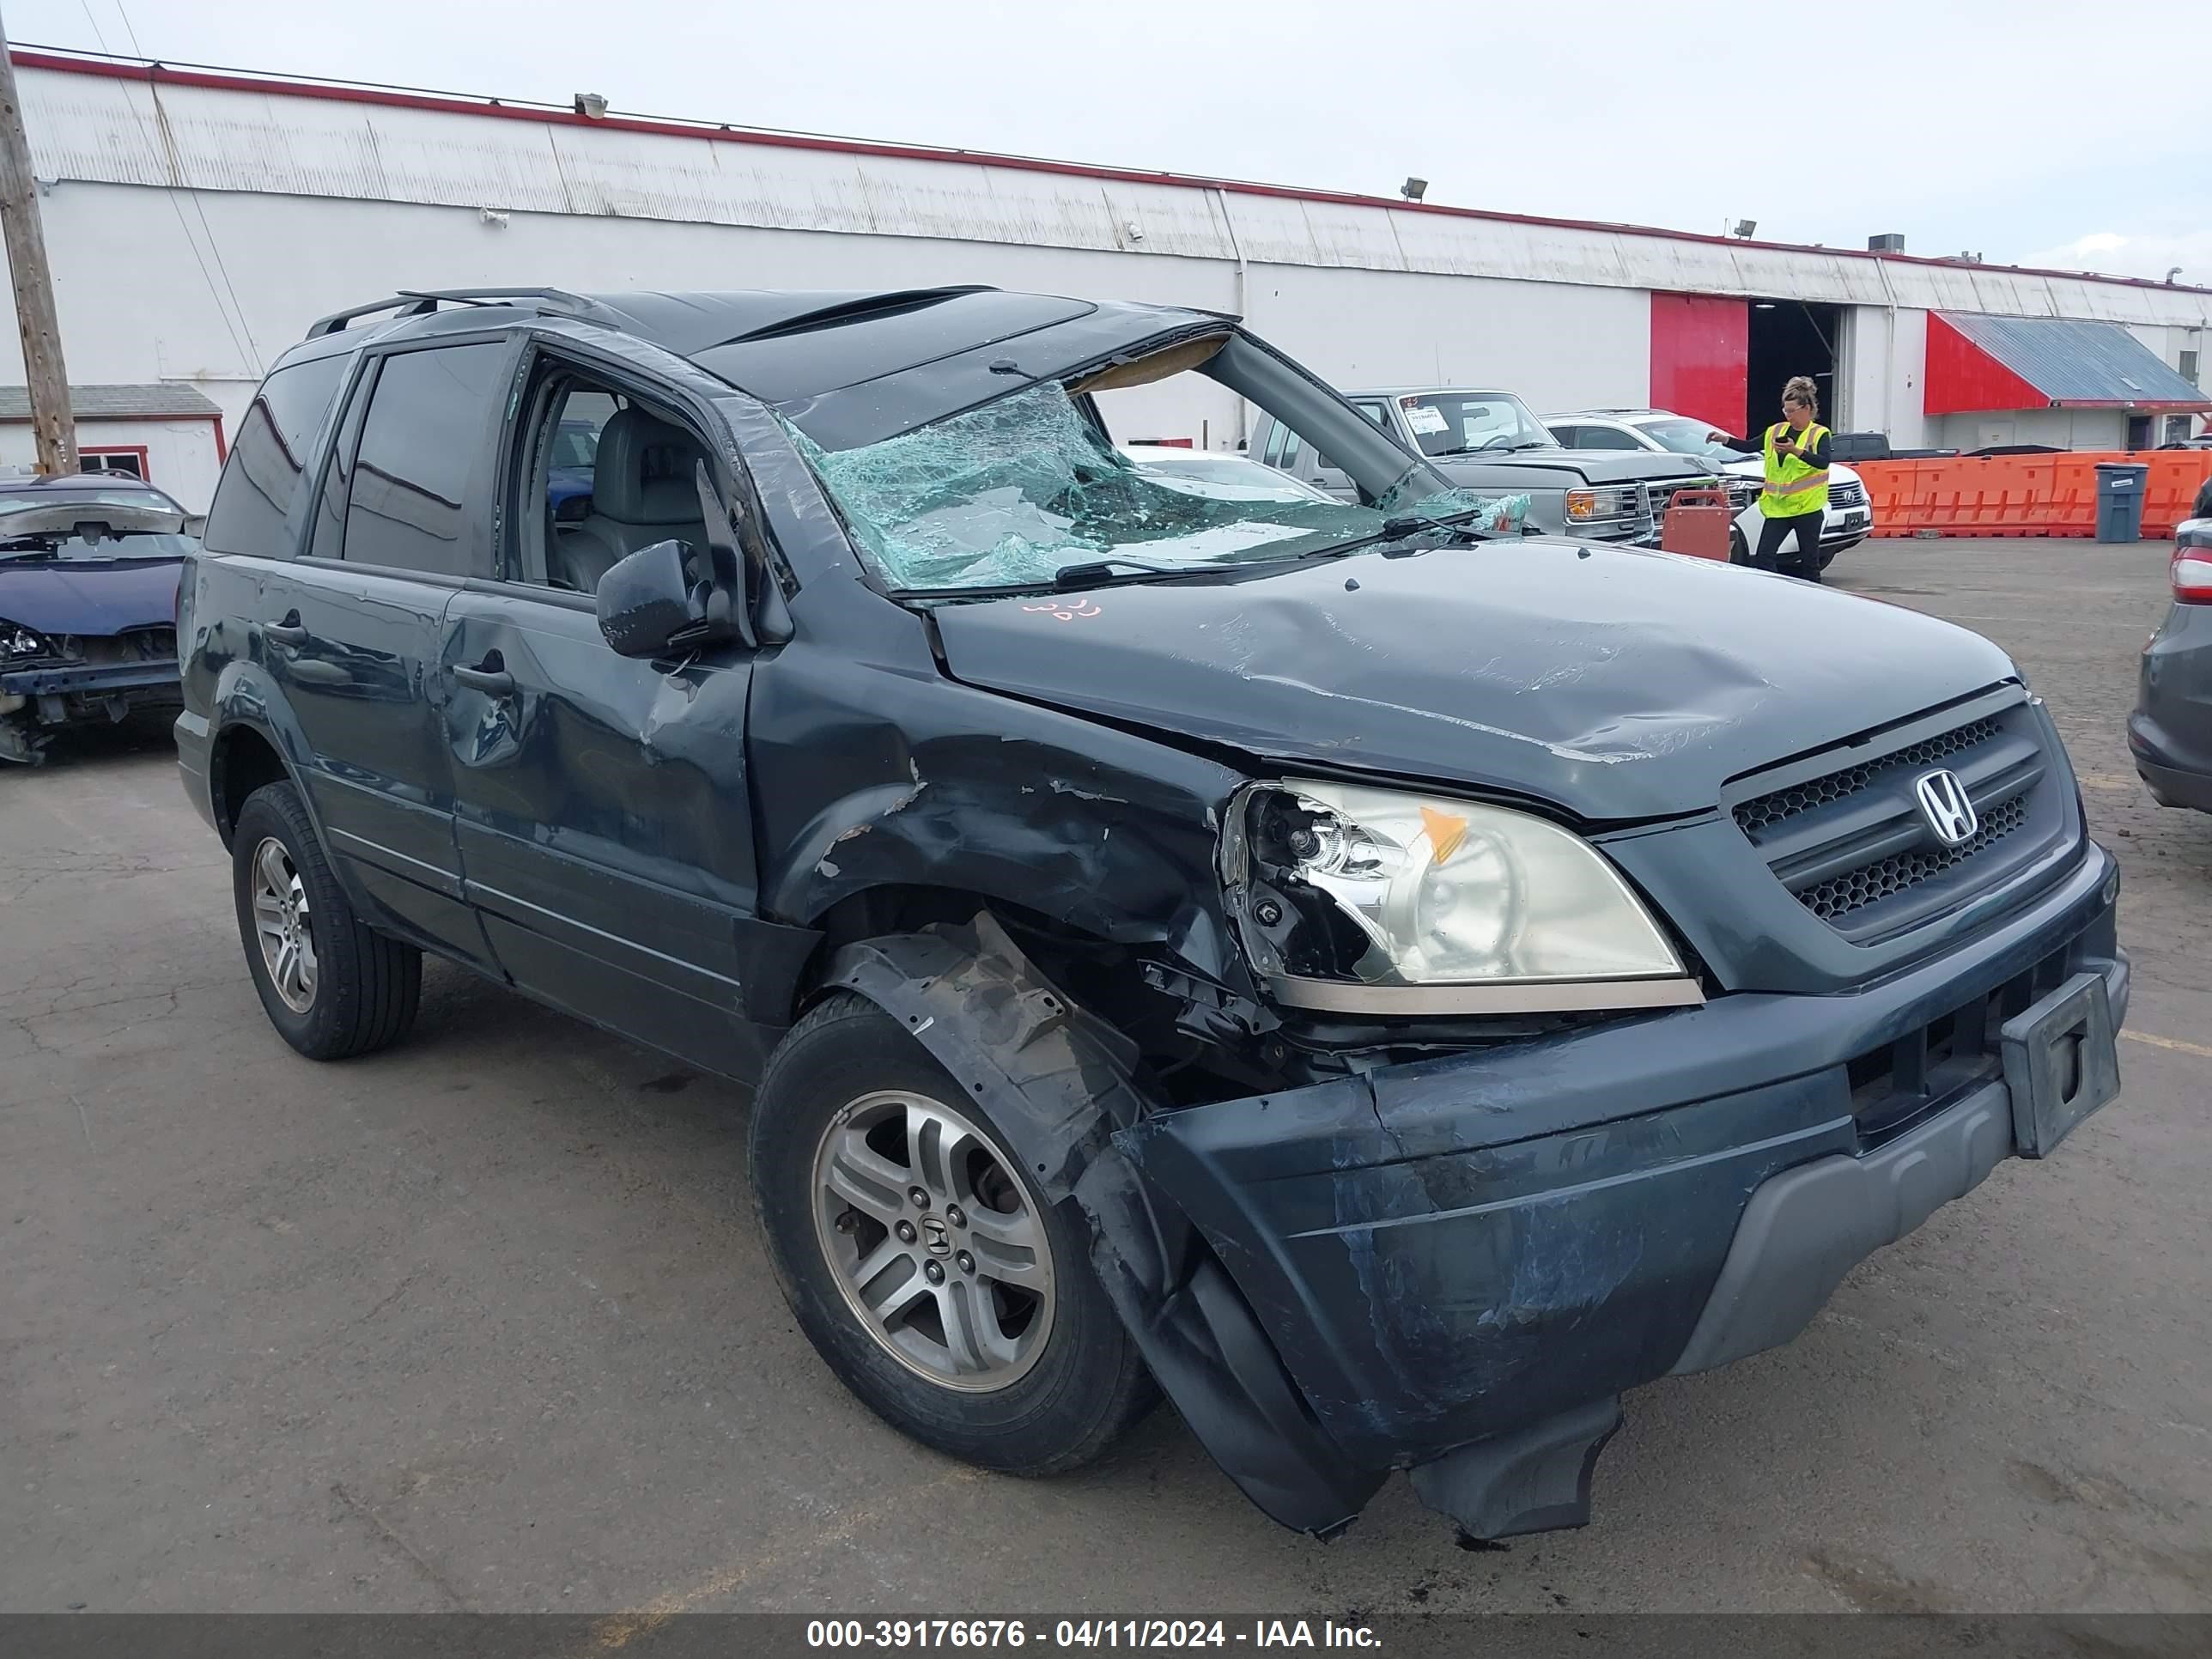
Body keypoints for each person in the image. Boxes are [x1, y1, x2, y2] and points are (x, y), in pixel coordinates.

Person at [1709, 375, 1832, 581]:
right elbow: (1749, 446)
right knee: (1764, 557)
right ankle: (1777, 594)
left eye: (1792, 411)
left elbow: (1823, 462)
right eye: (1786, 410)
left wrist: (1795, 450)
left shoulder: (1819, 434)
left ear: (1807, 409)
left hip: (1807, 508)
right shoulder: (1776, 430)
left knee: (1810, 562)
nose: (1788, 416)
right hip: (1778, 508)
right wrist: (1725, 440)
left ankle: (1815, 601)